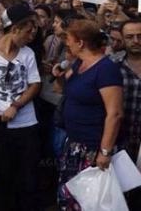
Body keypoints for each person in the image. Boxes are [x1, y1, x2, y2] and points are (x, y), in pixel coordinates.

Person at [0, 3, 42, 211]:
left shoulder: (27, 54)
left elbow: (35, 84)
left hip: (26, 125)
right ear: (15, 29)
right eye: (28, 31)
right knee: (1, 177)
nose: (31, 36)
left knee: (27, 179)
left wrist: (16, 105)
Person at [55, 19, 123, 210]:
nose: (66, 43)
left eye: (68, 39)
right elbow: (64, 90)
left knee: (89, 202)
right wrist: (61, 75)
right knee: (71, 199)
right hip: (75, 145)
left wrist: (105, 151)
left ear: (80, 42)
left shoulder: (106, 69)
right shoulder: (79, 64)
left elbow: (115, 113)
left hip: (93, 149)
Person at [117, 20, 141, 209]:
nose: (136, 40)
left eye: (140, 36)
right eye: (130, 37)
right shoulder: (112, 65)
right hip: (120, 142)